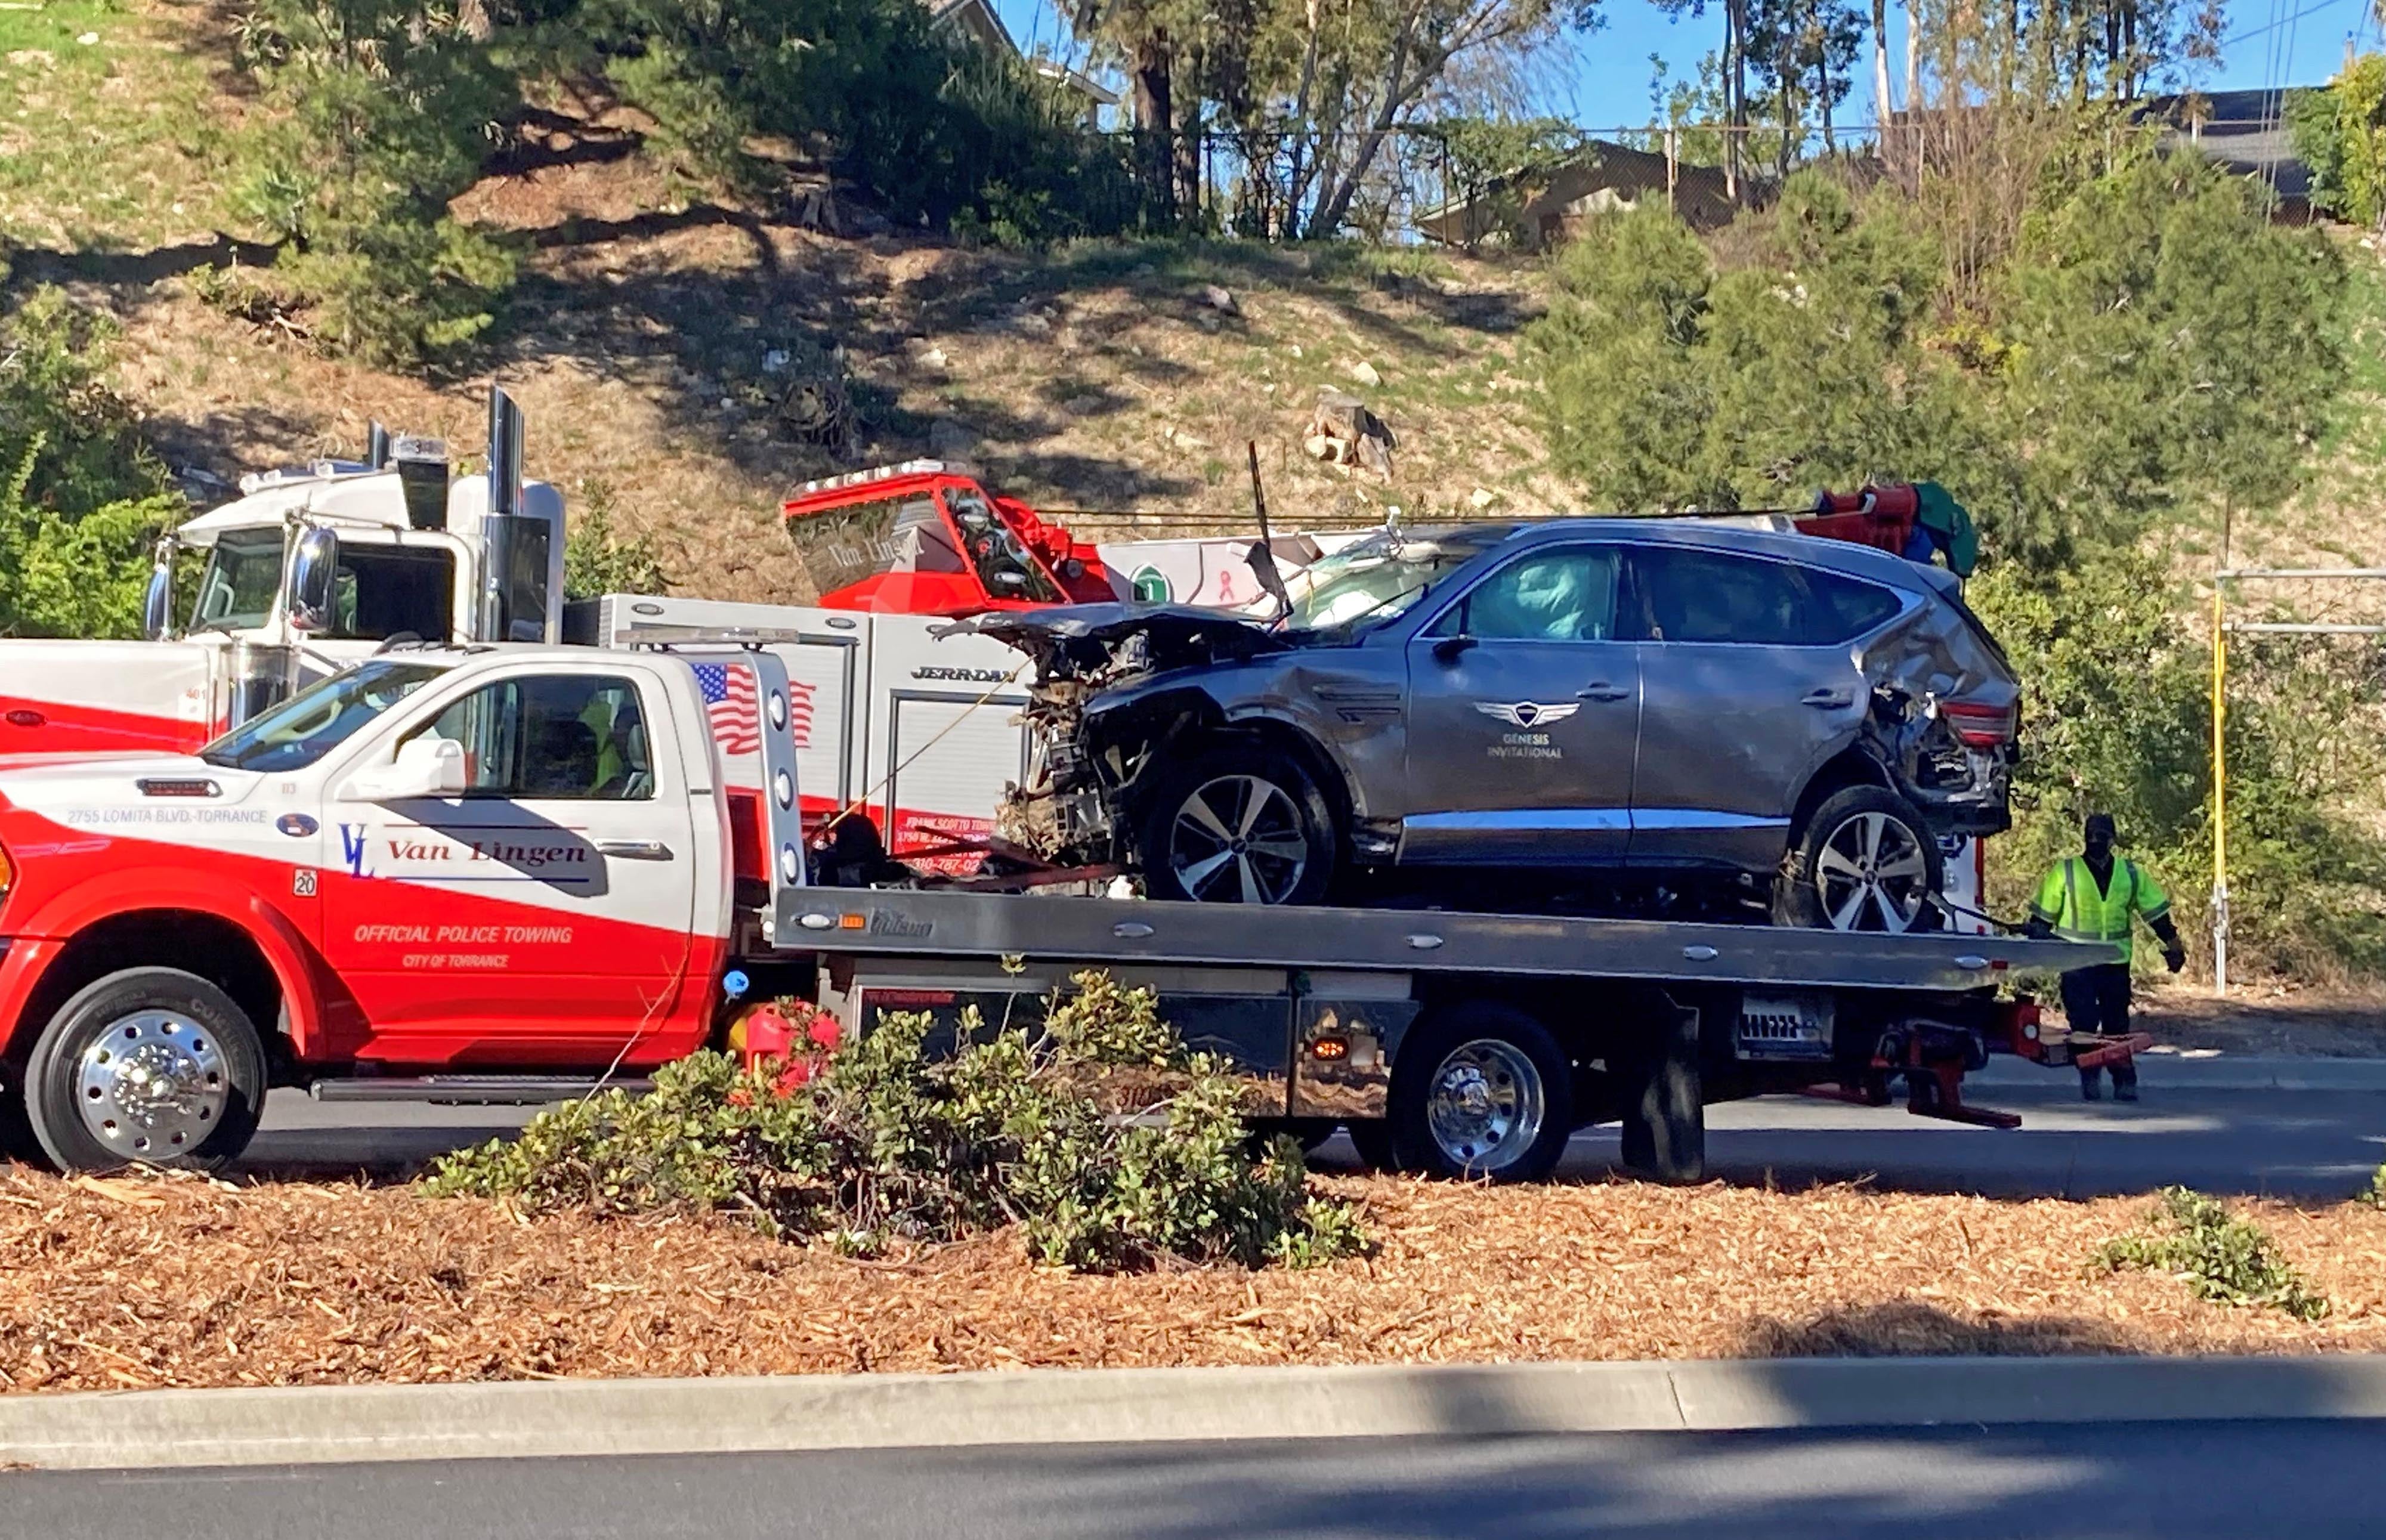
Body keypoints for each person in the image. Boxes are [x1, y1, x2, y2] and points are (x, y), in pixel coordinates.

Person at [2025, 814, 2187, 1102]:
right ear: (2085, 837)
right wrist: (2040, 939)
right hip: (2077, 963)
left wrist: (2173, 944)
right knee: (2083, 1026)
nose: (2096, 841)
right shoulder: (2066, 872)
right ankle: (2090, 1078)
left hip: (2115, 962)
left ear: (2112, 840)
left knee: (2116, 1025)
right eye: (2092, 835)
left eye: (2101, 836)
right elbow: (2040, 919)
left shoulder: (2130, 874)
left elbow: (2157, 915)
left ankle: (2124, 1080)